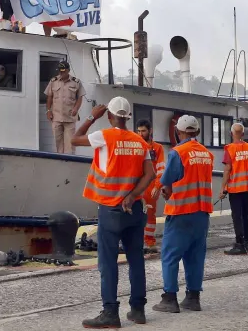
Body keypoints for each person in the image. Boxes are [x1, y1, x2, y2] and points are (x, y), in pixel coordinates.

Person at [72, 97, 155, 328]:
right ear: (128, 117)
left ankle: (110, 313)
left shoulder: (104, 136)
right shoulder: (140, 142)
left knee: (108, 263)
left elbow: (73, 138)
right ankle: (138, 310)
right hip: (135, 209)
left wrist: (91, 117)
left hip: (110, 209)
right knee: (136, 259)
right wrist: (131, 195)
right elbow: (150, 175)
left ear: (109, 116)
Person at [154, 115, 214, 314]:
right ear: (196, 132)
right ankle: (193, 298)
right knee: (195, 256)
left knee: (170, 256)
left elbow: (168, 179)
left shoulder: (177, 153)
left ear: (178, 132)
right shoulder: (207, 154)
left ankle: (170, 298)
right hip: (202, 212)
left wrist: (164, 189)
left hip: (181, 212)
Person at [220, 123, 248, 255]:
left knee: (237, 217)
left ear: (231, 134)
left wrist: (222, 188)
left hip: (235, 189)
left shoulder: (229, 149)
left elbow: (227, 170)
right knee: (245, 216)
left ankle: (239, 244)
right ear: (242, 134)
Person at [136, 119, 166, 254]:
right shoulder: (136, 146)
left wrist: (158, 186)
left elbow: (161, 169)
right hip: (136, 185)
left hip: (150, 187)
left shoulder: (157, 148)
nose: (140, 134)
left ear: (150, 131)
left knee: (149, 215)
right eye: (138, 131)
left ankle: (149, 241)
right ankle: (135, 241)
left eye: (143, 131)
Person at [44, 61, 85, 154]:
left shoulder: (76, 82)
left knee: (70, 144)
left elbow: (80, 97)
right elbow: (49, 97)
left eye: (63, 71)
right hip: (56, 117)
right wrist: (48, 111)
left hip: (70, 118)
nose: (61, 73)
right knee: (57, 143)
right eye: (59, 71)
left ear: (68, 70)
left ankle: (69, 163)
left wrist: (76, 109)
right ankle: (59, 162)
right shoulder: (53, 81)